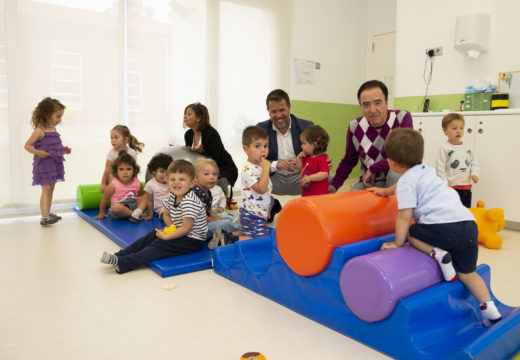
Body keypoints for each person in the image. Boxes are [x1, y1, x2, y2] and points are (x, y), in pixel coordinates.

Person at [368, 128, 501, 327]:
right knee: (467, 273)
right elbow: (405, 184)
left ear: (392, 163)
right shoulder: (426, 170)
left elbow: (404, 216)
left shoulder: (405, 181)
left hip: (443, 229)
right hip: (469, 226)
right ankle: (489, 309)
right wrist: (387, 191)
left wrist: (397, 243)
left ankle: (437, 254)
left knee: (412, 232)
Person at [100, 159, 207, 274]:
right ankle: (120, 255)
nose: (176, 183)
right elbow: (166, 214)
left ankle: (123, 263)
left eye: (181, 179)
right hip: (181, 232)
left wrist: (168, 236)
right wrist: (171, 227)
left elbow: (186, 228)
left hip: (192, 240)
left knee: (161, 244)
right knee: (153, 234)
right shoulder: (173, 195)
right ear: (167, 181)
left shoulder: (189, 201)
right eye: (172, 179)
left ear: (192, 183)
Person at [330, 80, 413, 192]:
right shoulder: (355, 126)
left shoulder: (402, 118)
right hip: (370, 182)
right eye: (366, 105)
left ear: (386, 102)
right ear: (361, 106)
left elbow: (403, 156)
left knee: (396, 173)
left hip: (397, 180)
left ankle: (398, 208)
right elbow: (348, 161)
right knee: (352, 202)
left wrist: (374, 168)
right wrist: (333, 186)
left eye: (378, 103)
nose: (372, 110)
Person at [211, 126, 272, 247]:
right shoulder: (248, 169)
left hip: (256, 211)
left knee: (248, 233)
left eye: (266, 146)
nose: (263, 150)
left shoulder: (259, 166)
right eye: (257, 146)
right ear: (246, 149)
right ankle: (230, 240)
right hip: (252, 213)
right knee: (261, 240)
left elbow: (266, 193)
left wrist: (266, 209)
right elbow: (261, 189)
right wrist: (266, 169)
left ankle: (223, 235)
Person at [24, 97, 71, 226]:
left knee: (51, 189)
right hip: (44, 165)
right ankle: (44, 217)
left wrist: (63, 149)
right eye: (57, 116)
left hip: (54, 163)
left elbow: (53, 146)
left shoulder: (53, 130)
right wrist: (39, 153)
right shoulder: (39, 131)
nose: (60, 120)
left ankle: (47, 213)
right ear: (46, 115)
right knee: (46, 190)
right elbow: (27, 145)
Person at [183, 102, 238, 203]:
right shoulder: (188, 134)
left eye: (189, 114)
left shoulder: (211, 133)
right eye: (185, 114)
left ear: (199, 118)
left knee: (211, 177)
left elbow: (214, 160)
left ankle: (222, 202)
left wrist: (202, 151)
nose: (185, 117)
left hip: (222, 167)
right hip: (201, 167)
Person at [190, 158, 239, 248]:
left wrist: (217, 217)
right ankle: (239, 227)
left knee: (227, 219)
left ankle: (234, 225)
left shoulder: (207, 191)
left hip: (205, 224)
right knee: (225, 223)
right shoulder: (195, 194)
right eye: (206, 174)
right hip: (197, 231)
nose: (212, 177)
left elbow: (209, 210)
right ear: (196, 178)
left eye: (215, 174)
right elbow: (201, 217)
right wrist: (216, 220)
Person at [435, 113, 479, 208]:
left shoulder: (468, 147)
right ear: (445, 130)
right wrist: (445, 183)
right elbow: (440, 168)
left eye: (461, 128)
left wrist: (475, 174)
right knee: (451, 211)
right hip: (451, 187)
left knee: (465, 211)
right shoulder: (444, 148)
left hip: (466, 186)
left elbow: (474, 163)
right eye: (454, 128)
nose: (458, 131)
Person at [94, 152, 143, 221]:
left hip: (133, 206)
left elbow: (139, 197)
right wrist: (102, 213)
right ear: (116, 171)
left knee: (146, 196)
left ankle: (135, 214)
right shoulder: (113, 185)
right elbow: (104, 199)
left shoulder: (138, 183)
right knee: (117, 207)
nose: (125, 172)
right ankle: (134, 214)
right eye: (121, 169)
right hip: (118, 211)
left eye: (128, 169)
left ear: (134, 170)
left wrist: (140, 205)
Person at [129, 153, 173, 223]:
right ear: (154, 171)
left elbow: (178, 193)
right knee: (167, 216)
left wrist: (170, 183)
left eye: (168, 171)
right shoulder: (150, 184)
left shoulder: (173, 181)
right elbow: (149, 201)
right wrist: (150, 214)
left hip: (175, 207)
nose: (165, 174)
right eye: (162, 171)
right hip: (163, 210)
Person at [100, 125, 144, 193]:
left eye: (116, 138)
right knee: (112, 176)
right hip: (115, 175)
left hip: (126, 175)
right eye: (111, 138)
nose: (113, 140)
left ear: (126, 140)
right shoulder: (112, 153)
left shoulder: (131, 152)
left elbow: (134, 169)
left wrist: (136, 182)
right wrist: (103, 183)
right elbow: (107, 169)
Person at [296, 125, 330, 196]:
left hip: (318, 194)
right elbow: (300, 169)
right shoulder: (307, 157)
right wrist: (298, 159)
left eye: (304, 143)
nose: (301, 146)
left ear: (314, 145)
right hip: (306, 192)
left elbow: (324, 173)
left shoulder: (321, 158)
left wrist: (310, 178)